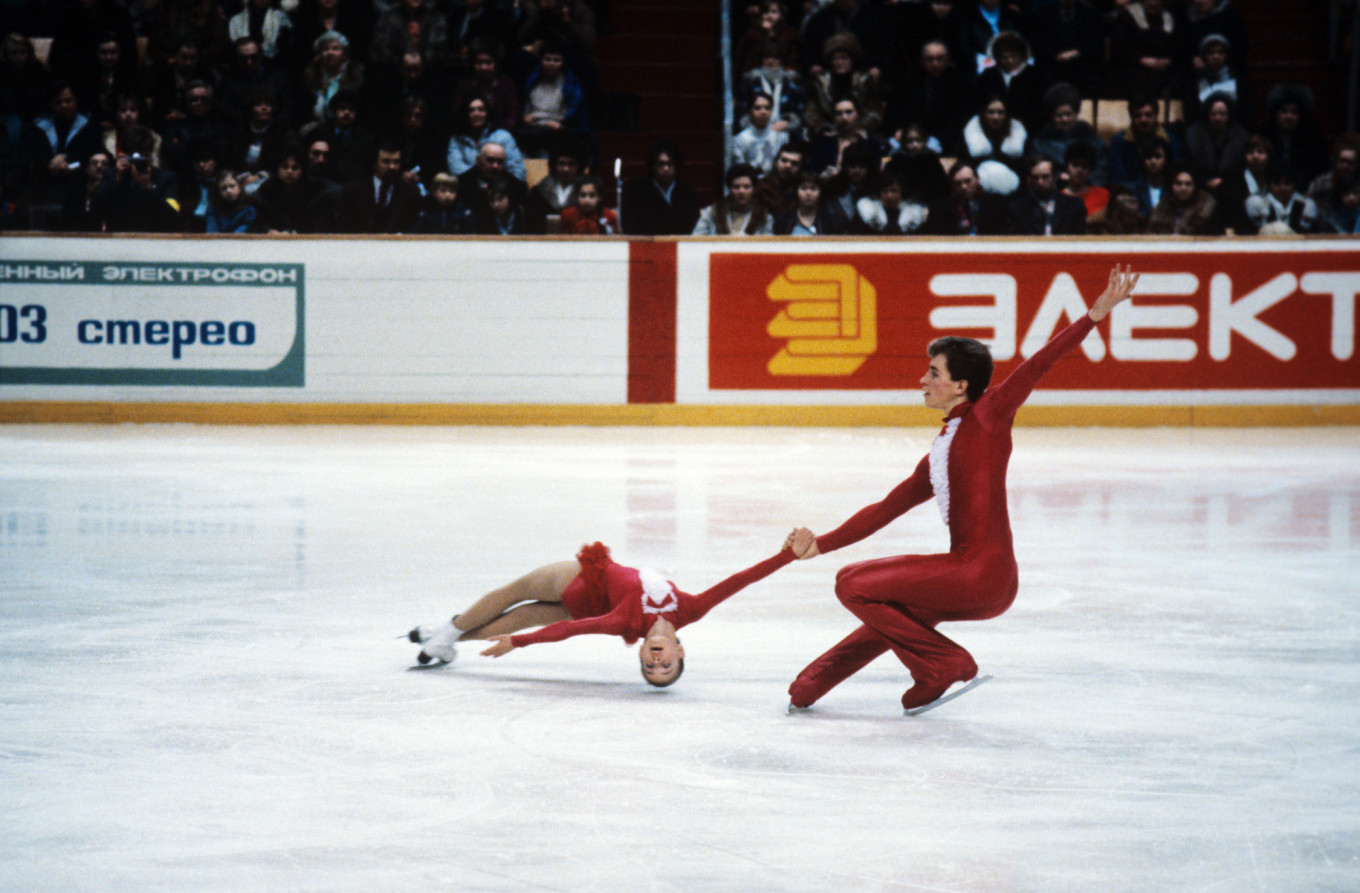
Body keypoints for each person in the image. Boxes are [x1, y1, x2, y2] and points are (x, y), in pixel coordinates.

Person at [785, 265, 1142, 713]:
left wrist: (1093, 315)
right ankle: (820, 681)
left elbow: (1037, 365)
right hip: (970, 576)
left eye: (933, 373)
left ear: (960, 385)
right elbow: (887, 508)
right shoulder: (941, 450)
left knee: (852, 584)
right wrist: (821, 544)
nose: (923, 380)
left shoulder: (989, 415)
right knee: (892, 617)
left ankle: (945, 663)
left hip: (979, 574)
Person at [408, 538, 804, 685]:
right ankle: (438, 636)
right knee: (516, 603)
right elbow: (741, 580)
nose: (657, 664)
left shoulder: (627, 621)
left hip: (579, 583)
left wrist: (519, 642)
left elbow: (570, 630)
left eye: (651, 671)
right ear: (680, 652)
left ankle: (444, 634)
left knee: (515, 595)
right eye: (666, 667)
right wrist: (788, 554)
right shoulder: (692, 609)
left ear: (641, 656)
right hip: (587, 595)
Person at [989, 154, 1087, 236]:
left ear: (1055, 177)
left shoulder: (1074, 207)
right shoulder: (1017, 208)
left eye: (1045, 177)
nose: (1040, 182)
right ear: (1029, 179)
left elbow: (1078, 243)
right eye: (1035, 178)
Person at [620, 139, 701, 236]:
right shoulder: (636, 191)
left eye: (670, 164)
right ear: (653, 165)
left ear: (676, 165)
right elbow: (630, 226)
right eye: (661, 164)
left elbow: (693, 226)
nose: (666, 169)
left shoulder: (688, 192)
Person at [692, 162, 772, 236]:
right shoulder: (712, 212)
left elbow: (769, 246)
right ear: (730, 189)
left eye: (746, 187)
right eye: (736, 187)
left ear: (753, 189)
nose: (741, 191)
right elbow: (695, 240)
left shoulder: (764, 216)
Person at [1148, 163, 1224, 235]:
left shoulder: (1208, 210)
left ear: (1195, 186)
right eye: (1178, 184)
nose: (1183, 188)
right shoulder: (1163, 207)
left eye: (1188, 184)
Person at [729, 91, 788, 175]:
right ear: (749, 111)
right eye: (757, 108)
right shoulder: (740, 139)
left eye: (767, 108)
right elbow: (740, 170)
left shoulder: (781, 138)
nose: (763, 112)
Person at [773, 170, 846, 235]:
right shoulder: (783, 221)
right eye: (803, 188)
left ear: (821, 192)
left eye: (813, 189)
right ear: (796, 192)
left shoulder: (833, 222)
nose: (808, 193)